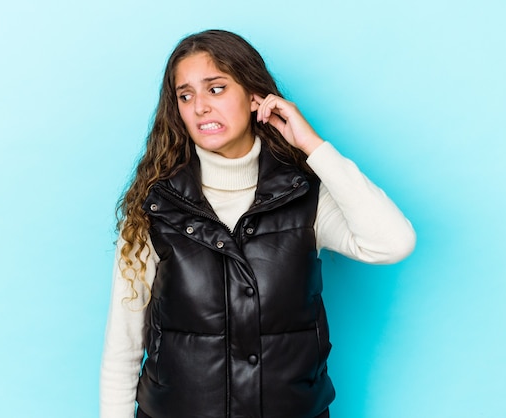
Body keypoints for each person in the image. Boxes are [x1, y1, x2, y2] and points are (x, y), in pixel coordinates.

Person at [100, 29, 416, 418]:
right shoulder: (154, 207)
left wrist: (312, 146)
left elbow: (393, 242)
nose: (200, 107)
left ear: (254, 97)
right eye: (186, 95)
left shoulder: (305, 197)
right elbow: (123, 346)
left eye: (215, 89)